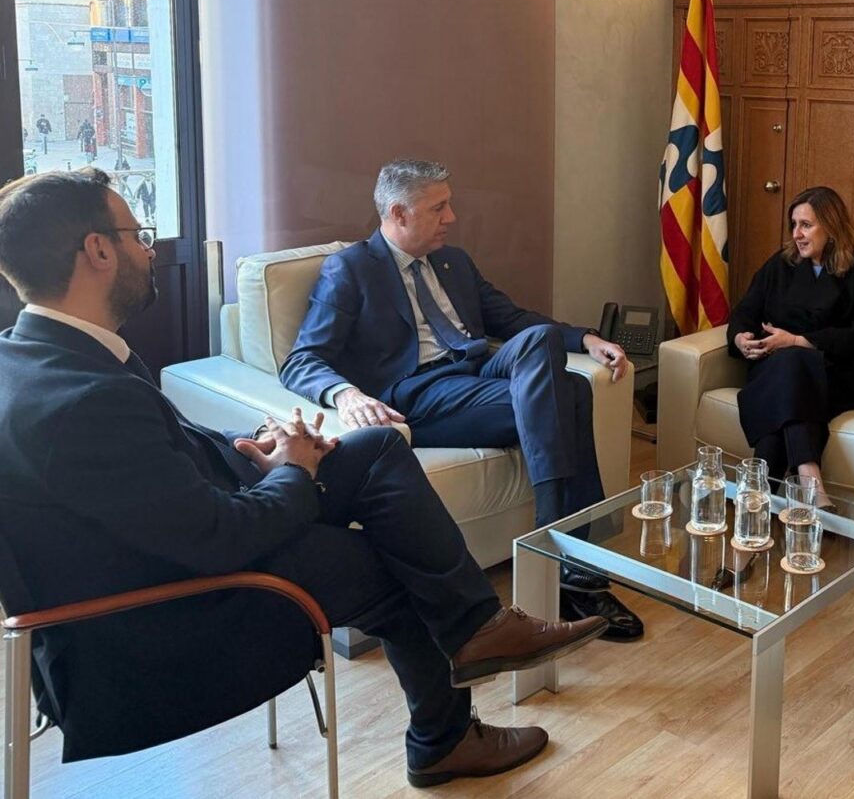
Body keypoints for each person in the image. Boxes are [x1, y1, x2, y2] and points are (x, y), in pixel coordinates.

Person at [0, 168, 609, 787]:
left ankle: (481, 629)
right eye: (138, 235)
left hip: (181, 539)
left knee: (376, 450)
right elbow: (219, 539)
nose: (149, 250)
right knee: (396, 561)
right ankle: (445, 739)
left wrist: (259, 447)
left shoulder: (41, 355)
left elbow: (168, 458)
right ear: (98, 251)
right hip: (163, 617)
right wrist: (293, 470)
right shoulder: (82, 401)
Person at [280, 159, 643, 641]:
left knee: (541, 342)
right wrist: (345, 394)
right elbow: (301, 359)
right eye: (439, 208)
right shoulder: (349, 270)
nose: (451, 218)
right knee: (571, 391)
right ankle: (572, 566)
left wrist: (586, 339)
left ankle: (555, 551)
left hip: (474, 373)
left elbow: (512, 320)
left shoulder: (454, 262)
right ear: (399, 213)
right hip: (421, 393)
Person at [726, 186, 854, 501]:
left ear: (831, 226)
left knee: (792, 363)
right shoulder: (781, 264)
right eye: (794, 225)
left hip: (840, 372)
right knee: (788, 370)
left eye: (806, 225)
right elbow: (745, 312)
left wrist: (797, 340)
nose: (796, 234)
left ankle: (758, 497)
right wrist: (740, 337)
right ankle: (808, 484)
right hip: (777, 367)